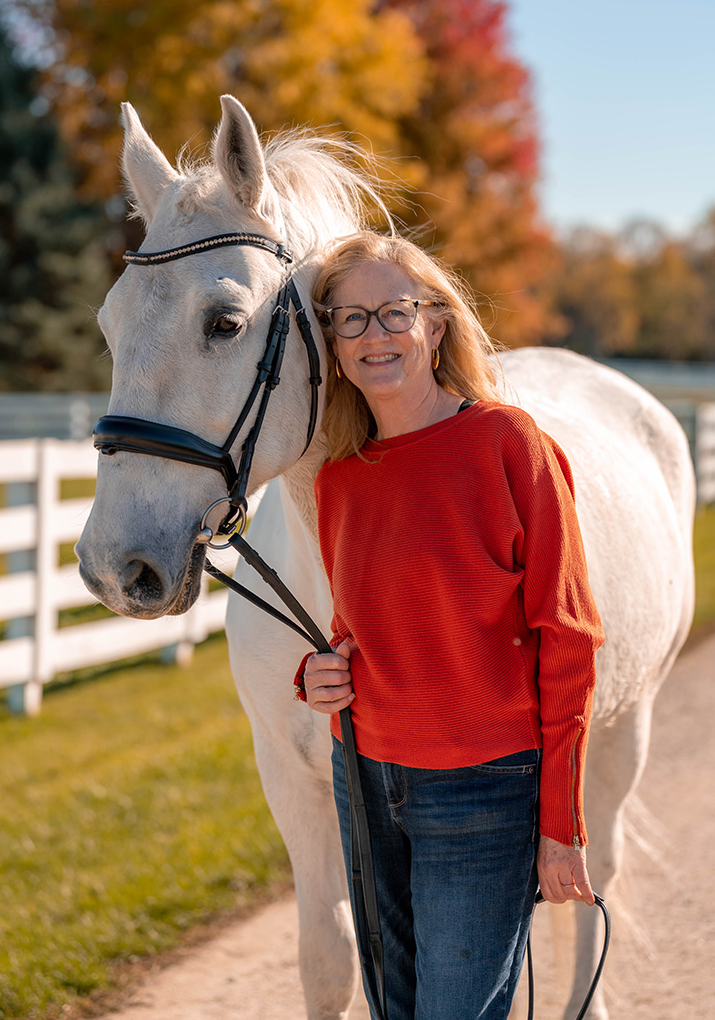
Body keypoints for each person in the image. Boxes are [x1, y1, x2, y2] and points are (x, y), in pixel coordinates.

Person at [293, 230, 605, 1020]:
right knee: (394, 1009)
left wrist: (561, 822)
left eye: (393, 312)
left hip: (484, 788)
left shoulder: (508, 444)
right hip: (363, 775)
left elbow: (568, 637)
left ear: (435, 323)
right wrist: (318, 674)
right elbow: (358, 629)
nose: (374, 334)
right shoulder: (338, 481)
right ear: (333, 346)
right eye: (350, 318)